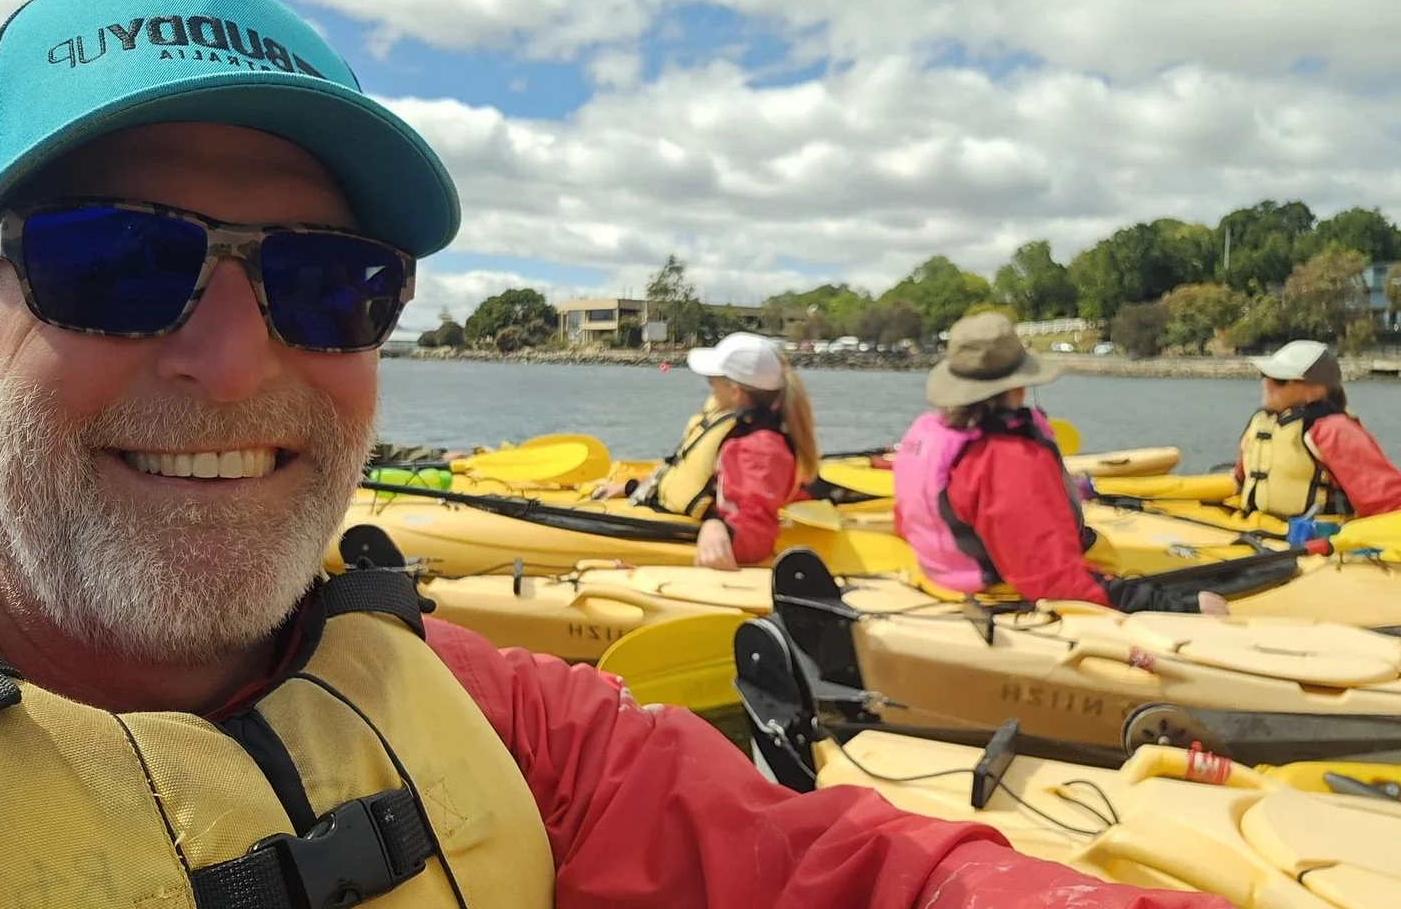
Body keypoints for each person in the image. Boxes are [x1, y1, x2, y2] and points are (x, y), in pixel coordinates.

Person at [0, 0, 1362, 909]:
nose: (234, 359)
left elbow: (879, 895)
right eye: (117, 264)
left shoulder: (497, 722)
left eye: (332, 285)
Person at [894, 313, 1229, 615]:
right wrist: (1177, 606)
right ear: (1018, 385)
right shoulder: (1007, 459)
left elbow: (905, 523)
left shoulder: (927, 431)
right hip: (1008, 595)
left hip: (942, 583)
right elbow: (1052, 581)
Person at [593, 331, 819, 570]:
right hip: (667, 514)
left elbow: (757, 530)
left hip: (698, 537)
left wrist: (718, 528)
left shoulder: (759, 449)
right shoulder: (734, 427)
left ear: (735, 392)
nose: (709, 389)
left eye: (711, 382)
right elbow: (692, 475)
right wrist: (634, 488)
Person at [1235, 340, 1401, 519]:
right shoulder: (1260, 423)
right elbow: (1240, 478)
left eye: (1280, 380)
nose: (1267, 384)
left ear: (1314, 391)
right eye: (1264, 375)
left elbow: (1389, 501)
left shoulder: (1333, 430)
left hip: (1316, 537)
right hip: (1258, 531)